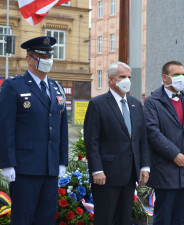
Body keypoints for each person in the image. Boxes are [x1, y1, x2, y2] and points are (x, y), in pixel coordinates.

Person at [0, 36, 68, 225]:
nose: (47, 60)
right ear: (29, 58)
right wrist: (7, 162)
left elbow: (62, 125)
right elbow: (6, 127)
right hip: (25, 168)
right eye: (41, 56)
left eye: (49, 56)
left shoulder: (57, 88)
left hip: (50, 167)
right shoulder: (14, 86)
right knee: (23, 218)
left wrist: (62, 160)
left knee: (46, 218)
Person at [84, 61, 150, 225]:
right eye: (122, 77)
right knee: (105, 219)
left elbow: (141, 138)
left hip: (129, 175)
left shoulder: (135, 104)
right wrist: (97, 169)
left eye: (129, 77)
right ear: (112, 79)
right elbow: (92, 141)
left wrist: (144, 166)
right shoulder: (97, 104)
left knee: (124, 219)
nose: (127, 80)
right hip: (106, 175)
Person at [143, 61, 184, 225]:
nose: (181, 78)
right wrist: (174, 154)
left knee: (179, 218)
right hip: (165, 170)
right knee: (163, 218)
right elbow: (152, 132)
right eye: (177, 75)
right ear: (165, 78)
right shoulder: (153, 102)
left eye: (183, 74)